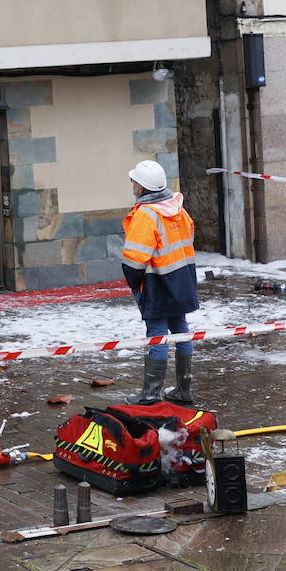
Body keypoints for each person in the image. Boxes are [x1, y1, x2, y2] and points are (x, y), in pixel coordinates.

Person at [120, 159, 199, 405]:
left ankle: (151, 394)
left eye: (134, 180)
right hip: (183, 279)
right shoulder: (177, 207)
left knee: (157, 335)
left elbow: (134, 259)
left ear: (142, 187)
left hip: (157, 282)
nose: (132, 183)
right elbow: (189, 237)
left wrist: (136, 286)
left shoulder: (145, 215)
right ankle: (183, 390)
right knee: (181, 331)